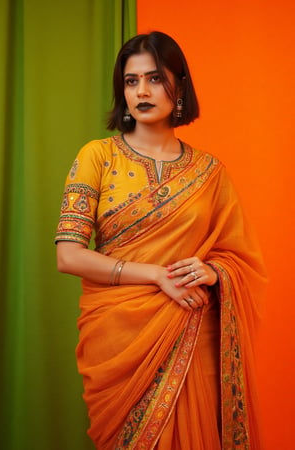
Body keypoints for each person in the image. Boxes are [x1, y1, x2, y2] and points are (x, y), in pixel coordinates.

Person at [55, 31, 267, 450]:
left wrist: (214, 270)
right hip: (120, 341)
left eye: (155, 79)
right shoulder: (97, 157)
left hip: (193, 336)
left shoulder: (211, 172)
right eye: (131, 82)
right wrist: (156, 276)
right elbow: (69, 255)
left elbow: (241, 258)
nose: (142, 91)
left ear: (180, 87)